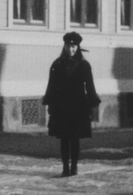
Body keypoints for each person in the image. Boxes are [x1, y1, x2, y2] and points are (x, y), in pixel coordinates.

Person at [42, 32, 101, 177]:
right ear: (64, 46)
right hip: (61, 107)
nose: (71, 49)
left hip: (78, 107)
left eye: (73, 47)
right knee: (64, 138)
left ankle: (74, 167)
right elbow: (51, 85)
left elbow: (90, 85)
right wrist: (50, 103)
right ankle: (65, 168)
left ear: (78, 47)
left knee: (75, 138)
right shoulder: (57, 64)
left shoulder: (84, 65)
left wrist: (91, 103)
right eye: (68, 46)